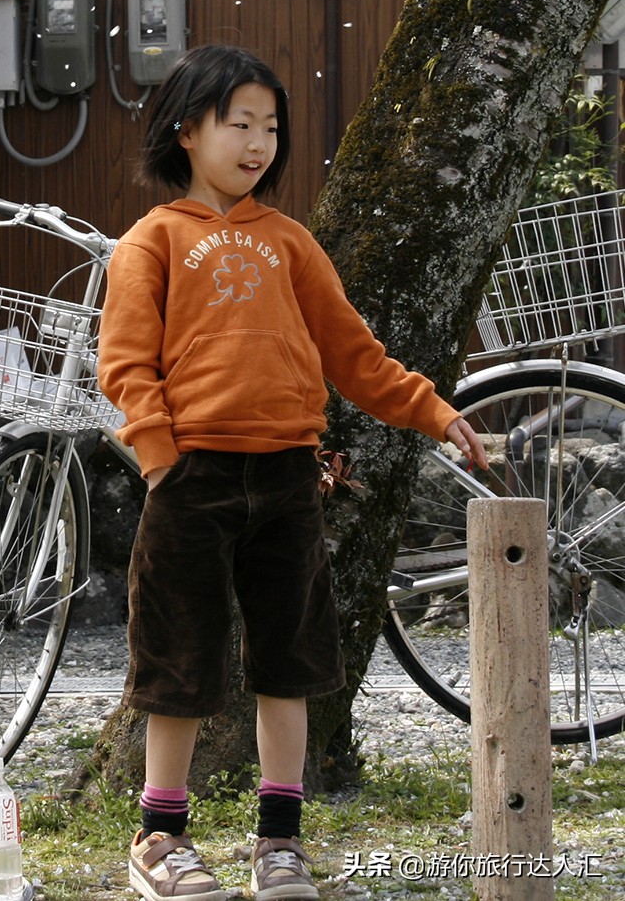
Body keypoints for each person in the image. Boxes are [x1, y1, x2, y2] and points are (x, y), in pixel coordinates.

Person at [97, 44, 488, 901]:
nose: (258, 143)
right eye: (238, 123)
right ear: (185, 131)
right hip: (191, 481)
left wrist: (434, 410)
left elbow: (355, 354)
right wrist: (162, 463)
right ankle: (160, 836)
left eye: (271, 127)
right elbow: (125, 365)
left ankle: (280, 843)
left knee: (290, 662)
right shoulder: (152, 241)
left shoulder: (290, 244)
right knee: (180, 662)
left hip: (286, 480)